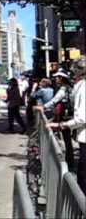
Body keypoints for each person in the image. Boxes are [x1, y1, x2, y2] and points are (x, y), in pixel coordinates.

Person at [47, 57, 86, 194]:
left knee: (83, 178)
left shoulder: (83, 87)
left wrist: (60, 125)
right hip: (79, 132)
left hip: (83, 137)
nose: (72, 74)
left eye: (74, 71)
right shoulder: (78, 87)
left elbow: (81, 118)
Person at [40, 70, 74, 169]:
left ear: (62, 78)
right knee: (67, 139)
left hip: (65, 117)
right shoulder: (69, 88)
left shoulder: (63, 90)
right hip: (69, 115)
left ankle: (69, 162)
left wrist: (43, 107)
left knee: (67, 140)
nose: (55, 79)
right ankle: (69, 160)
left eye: (57, 77)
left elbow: (55, 100)